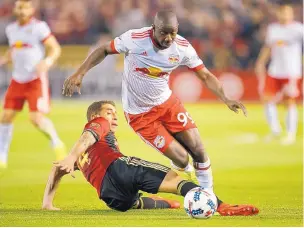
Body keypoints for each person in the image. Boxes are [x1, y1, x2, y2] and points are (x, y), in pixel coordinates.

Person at [62, 10, 247, 196]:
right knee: (182, 159)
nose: (168, 38)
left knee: (198, 150)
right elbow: (103, 49)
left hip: (167, 104)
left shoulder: (182, 47)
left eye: (172, 33)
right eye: (163, 32)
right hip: (140, 114)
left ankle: (208, 196)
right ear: (154, 29)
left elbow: (205, 75)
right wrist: (80, 73)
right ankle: (183, 168)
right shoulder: (135, 38)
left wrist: (226, 98)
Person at [42, 100, 259, 216]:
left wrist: (47, 203)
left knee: (133, 203)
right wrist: (71, 155)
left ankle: (167, 205)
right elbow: (88, 137)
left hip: (110, 196)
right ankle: (221, 206)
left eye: (115, 113)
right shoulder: (98, 125)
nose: (114, 116)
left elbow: (57, 170)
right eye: (110, 112)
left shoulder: (84, 156)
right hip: (119, 168)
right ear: (94, 116)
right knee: (176, 180)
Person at [0, 0, 66, 169]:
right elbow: (14, 49)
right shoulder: (11, 29)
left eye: (25, 7)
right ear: (15, 9)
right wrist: (5, 58)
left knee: (35, 119)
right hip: (17, 79)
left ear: (31, 9)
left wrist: (48, 61)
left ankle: (56, 142)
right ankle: (2, 157)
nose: (22, 10)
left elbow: (55, 48)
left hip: (35, 79)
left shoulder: (39, 27)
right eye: (19, 7)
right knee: (6, 116)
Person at [255, 2, 303, 145]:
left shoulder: (299, 29)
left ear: (292, 14)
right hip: (275, 70)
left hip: (291, 72)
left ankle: (290, 133)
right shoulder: (273, 29)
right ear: (278, 13)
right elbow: (268, 47)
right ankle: (275, 130)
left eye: (287, 12)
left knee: (289, 101)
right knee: (267, 98)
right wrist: (260, 62)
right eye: (282, 12)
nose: (284, 15)